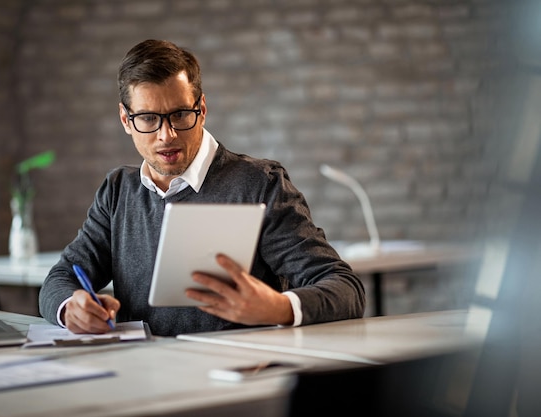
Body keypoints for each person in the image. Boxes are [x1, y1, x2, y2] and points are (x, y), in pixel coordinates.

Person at [39, 39, 365, 337]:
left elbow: (346, 289)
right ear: (126, 120)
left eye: (180, 114)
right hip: (142, 377)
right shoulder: (117, 191)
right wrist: (71, 308)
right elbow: (60, 278)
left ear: (202, 109)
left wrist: (278, 308)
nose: (166, 135)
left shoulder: (259, 184)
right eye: (149, 119)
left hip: (238, 377)